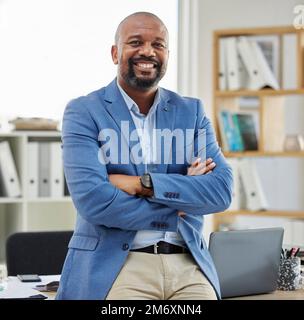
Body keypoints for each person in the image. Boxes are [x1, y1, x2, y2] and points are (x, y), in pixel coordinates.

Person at [56, 12, 233, 300]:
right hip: (119, 265)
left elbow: (220, 193)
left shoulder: (192, 111)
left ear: (167, 54)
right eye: (135, 42)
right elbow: (93, 201)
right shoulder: (84, 111)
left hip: (188, 265)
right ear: (115, 53)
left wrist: (141, 184)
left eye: (158, 44)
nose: (148, 51)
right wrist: (179, 204)